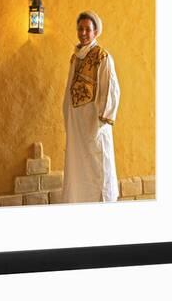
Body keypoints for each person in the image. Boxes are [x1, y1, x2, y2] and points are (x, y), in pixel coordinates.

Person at [61, 11, 120, 203]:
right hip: (77, 127)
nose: (83, 32)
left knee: (98, 169)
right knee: (78, 170)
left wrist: (102, 121)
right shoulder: (75, 57)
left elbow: (110, 89)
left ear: (95, 32)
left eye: (88, 29)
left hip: (94, 126)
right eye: (80, 28)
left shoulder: (102, 57)